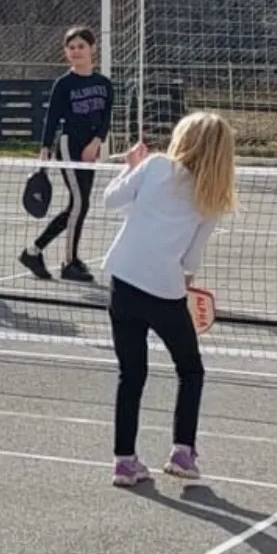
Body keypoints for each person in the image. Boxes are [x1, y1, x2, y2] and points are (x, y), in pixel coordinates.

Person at [101, 110, 236, 489]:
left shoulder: (155, 166)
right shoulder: (211, 197)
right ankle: (182, 452)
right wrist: (184, 286)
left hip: (123, 281)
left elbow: (111, 200)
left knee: (131, 374)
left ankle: (124, 461)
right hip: (165, 292)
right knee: (190, 370)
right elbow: (191, 260)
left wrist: (129, 167)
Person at [19, 25, 113, 284]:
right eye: (71, 48)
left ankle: (33, 252)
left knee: (78, 206)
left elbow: (105, 118)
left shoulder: (104, 84)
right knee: (80, 204)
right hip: (68, 146)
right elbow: (52, 119)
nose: (76, 51)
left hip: (89, 148)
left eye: (81, 46)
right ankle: (69, 262)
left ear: (92, 49)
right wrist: (45, 149)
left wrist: (96, 142)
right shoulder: (64, 84)